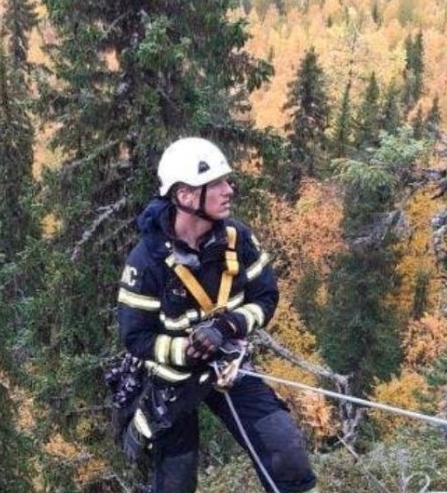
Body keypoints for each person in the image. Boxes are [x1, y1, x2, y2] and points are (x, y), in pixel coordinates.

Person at [114, 137, 318, 493]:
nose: (229, 190)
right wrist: (186, 351)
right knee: (175, 482)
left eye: (228, 181)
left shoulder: (238, 240)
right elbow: (136, 337)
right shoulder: (146, 262)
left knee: (285, 451)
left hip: (228, 367)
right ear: (186, 196)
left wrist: (229, 326)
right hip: (172, 382)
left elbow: (266, 296)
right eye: (218, 184)